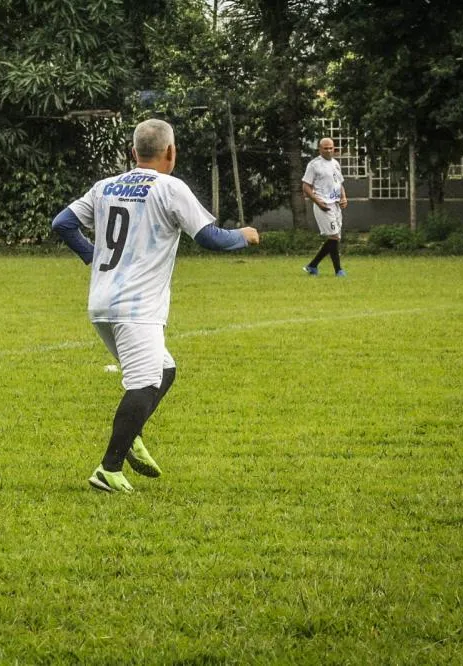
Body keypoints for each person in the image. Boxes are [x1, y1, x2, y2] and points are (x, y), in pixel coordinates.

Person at [52, 118, 260, 493]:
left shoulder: (106, 186)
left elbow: (63, 223)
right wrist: (243, 236)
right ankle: (108, 468)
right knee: (145, 383)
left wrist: (91, 256)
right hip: (137, 306)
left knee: (165, 369)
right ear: (171, 152)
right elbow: (212, 239)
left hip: (101, 302)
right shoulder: (169, 187)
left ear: (133, 153)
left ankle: (130, 436)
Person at [302, 137, 348, 277]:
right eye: (325, 148)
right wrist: (317, 201)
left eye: (331, 148)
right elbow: (306, 186)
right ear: (320, 149)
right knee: (334, 237)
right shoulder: (314, 165)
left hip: (335, 204)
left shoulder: (335, 164)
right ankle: (338, 270)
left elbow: (339, 183)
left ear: (334, 148)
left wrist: (343, 197)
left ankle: (312, 265)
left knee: (335, 238)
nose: (329, 151)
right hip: (323, 204)